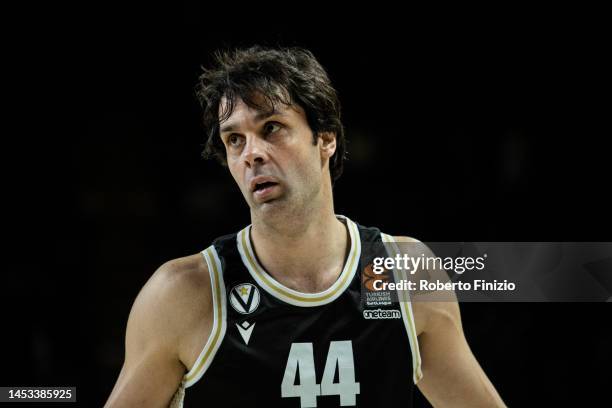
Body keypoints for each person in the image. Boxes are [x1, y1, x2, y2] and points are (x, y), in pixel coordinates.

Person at [105, 46, 506, 407]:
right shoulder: (183, 293)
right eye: (234, 140)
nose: (252, 154)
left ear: (326, 137)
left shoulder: (406, 273)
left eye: (271, 128)